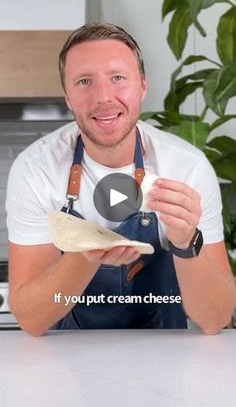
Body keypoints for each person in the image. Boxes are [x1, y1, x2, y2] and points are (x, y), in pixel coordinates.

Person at [6, 22, 236, 336]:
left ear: (142, 85)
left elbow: (216, 317)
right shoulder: (36, 169)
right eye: (84, 81)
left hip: (166, 360)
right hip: (66, 363)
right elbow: (32, 319)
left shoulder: (186, 168)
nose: (104, 96)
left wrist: (185, 243)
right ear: (68, 97)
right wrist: (85, 257)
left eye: (118, 78)